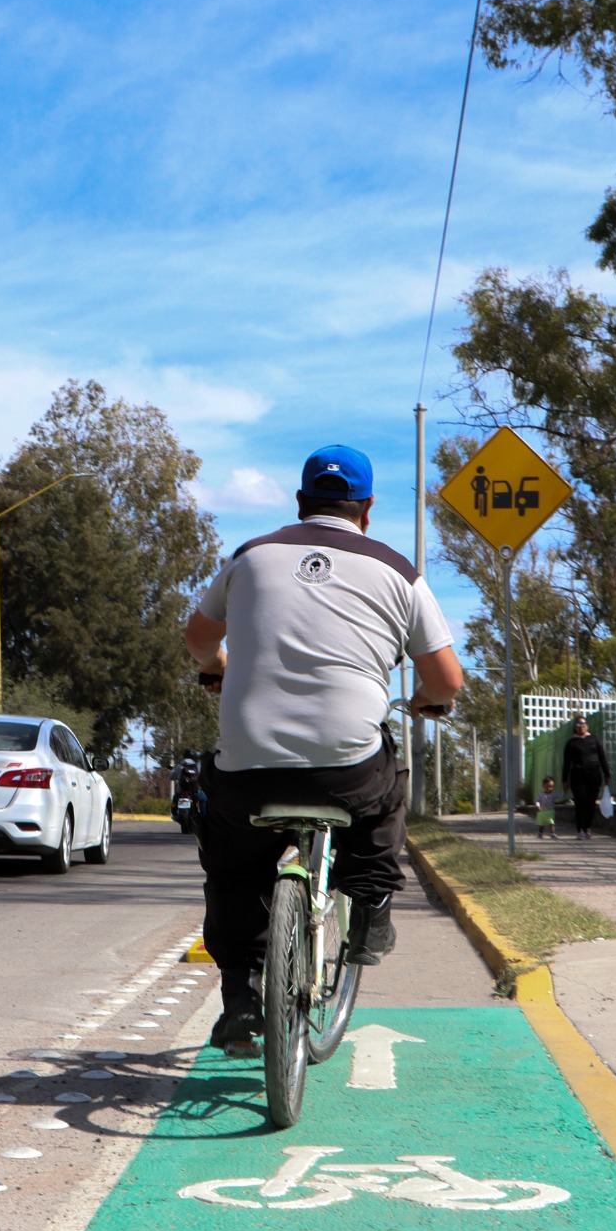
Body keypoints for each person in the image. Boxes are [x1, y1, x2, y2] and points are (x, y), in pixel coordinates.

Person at [184, 444, 464, 1052]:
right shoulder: (397, 570)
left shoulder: (250, 557)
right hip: (346, 768)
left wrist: (217, 667)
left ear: (300, 502)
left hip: (249, 766)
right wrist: (427, 703)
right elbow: (446, 678)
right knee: (387, 789)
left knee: (232, 862)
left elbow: (198, 638)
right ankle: (370, 910)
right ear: (365, 508)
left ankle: (238, 1000)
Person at [562, 715, 611, 839]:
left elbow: (602, 757)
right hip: (577, 776)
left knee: (590, 803)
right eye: (578, 725)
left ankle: (587, 828)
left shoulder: (594, 739)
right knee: (580, 802)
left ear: (587, 726)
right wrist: (564, 780)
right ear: (575, 727)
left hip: (594, 774)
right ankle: (580, 830)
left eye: (583, 724)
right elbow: (566, 763)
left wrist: (607, 774)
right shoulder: (571, 743)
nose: (581, 727)